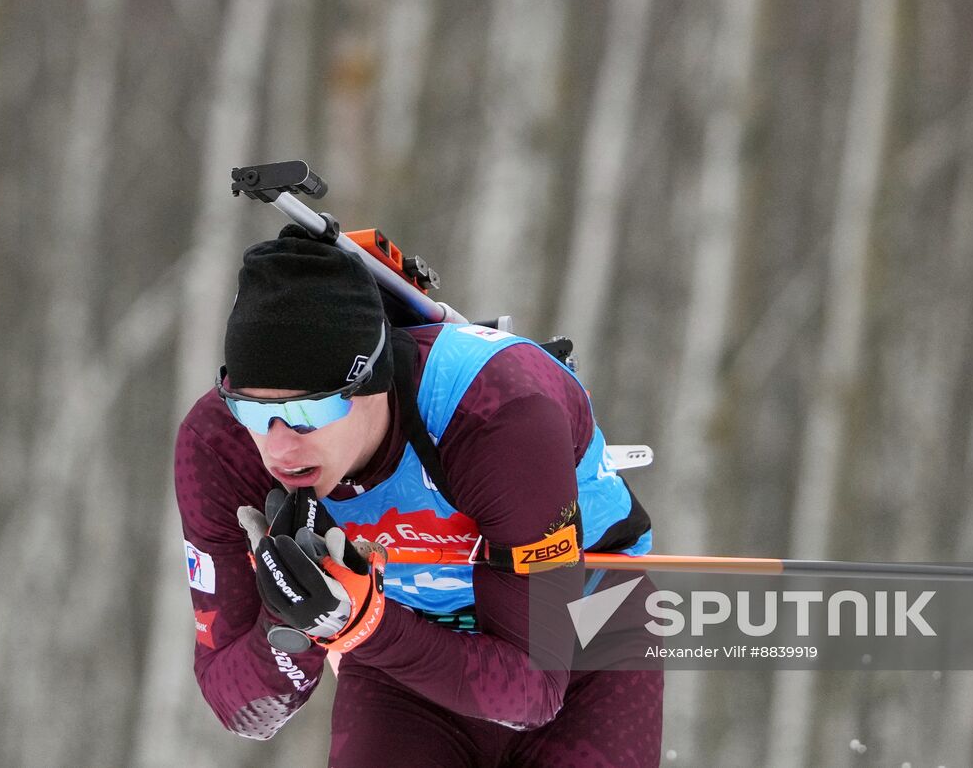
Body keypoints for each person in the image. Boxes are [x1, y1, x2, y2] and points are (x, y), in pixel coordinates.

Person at [172, 225, 662, 767]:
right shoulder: (219, 446)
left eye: (309, 411)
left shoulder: (497, 412)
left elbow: (534, 691)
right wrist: (294, 621)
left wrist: (361, 623)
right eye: (254, 411)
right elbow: (243, 710)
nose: (279, 446)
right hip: (410, 653)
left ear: (371, 383)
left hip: (588, 632)